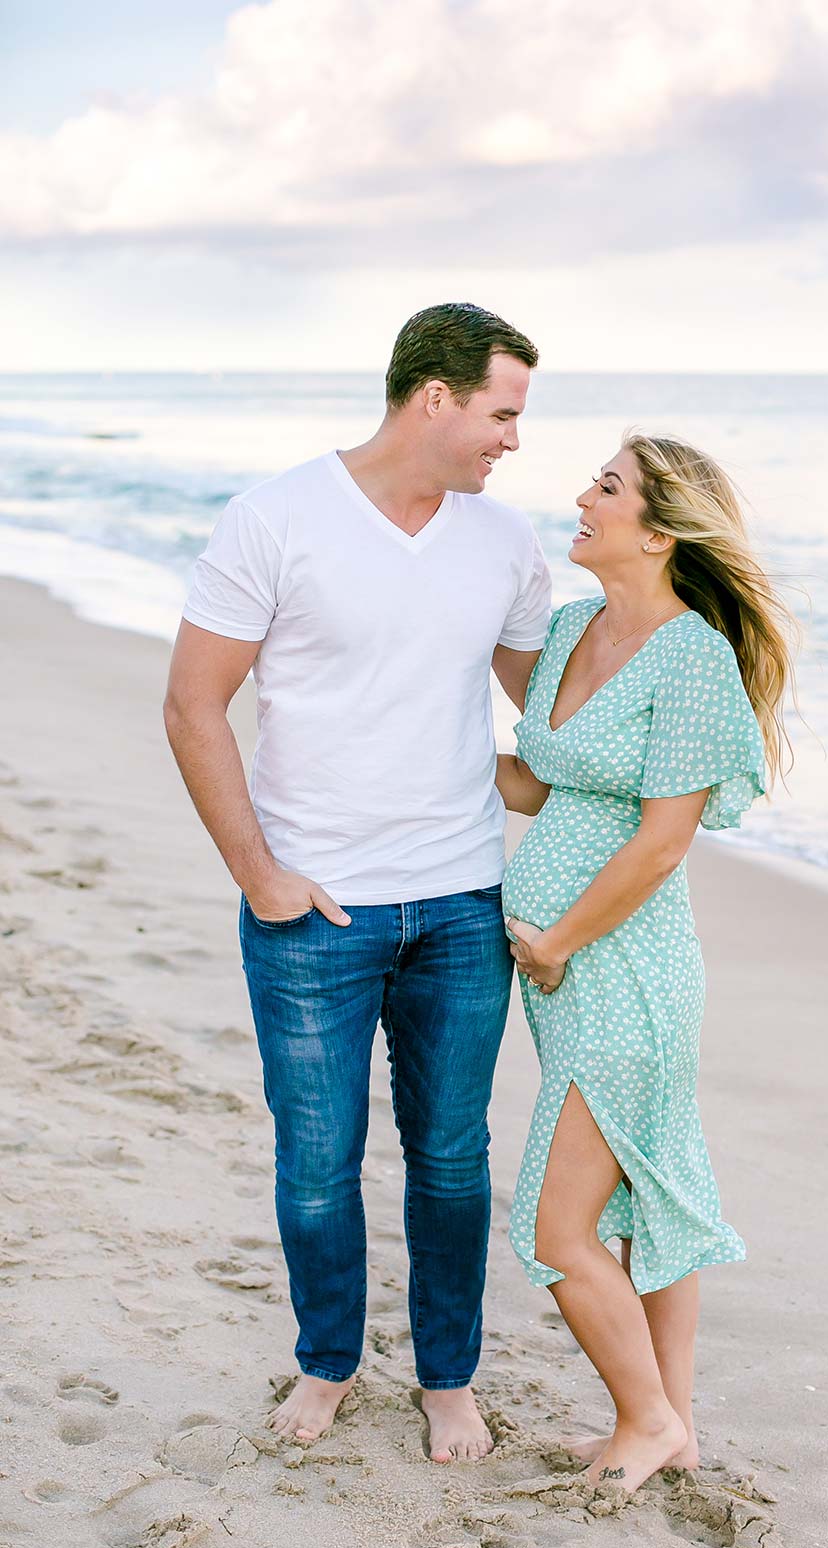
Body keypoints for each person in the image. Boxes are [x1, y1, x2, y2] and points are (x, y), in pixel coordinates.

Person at [163, 303, 551, 1460]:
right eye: (502, 413)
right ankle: (327, 1362)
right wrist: (262, 875)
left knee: (451, 1157)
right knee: (318, 1165)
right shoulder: (275, 519)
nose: (513, 440)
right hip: (313, 911)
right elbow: (193, 705)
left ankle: (447, 1378)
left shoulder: (505, 540)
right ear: (434, 398)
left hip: (460, 901)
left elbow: (556, 722)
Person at [495, 432, 796, 1494]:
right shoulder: (575, 626)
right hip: (564, 975)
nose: (582, 497)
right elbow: (536, 786)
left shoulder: (695, 656)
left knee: (556, 1229)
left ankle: (645, 1421)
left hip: (621, 971)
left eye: (608, 488)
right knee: (650, 1196)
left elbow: (664, 839)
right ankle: (674, 1426)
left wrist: (556, 942)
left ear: (660, 529)